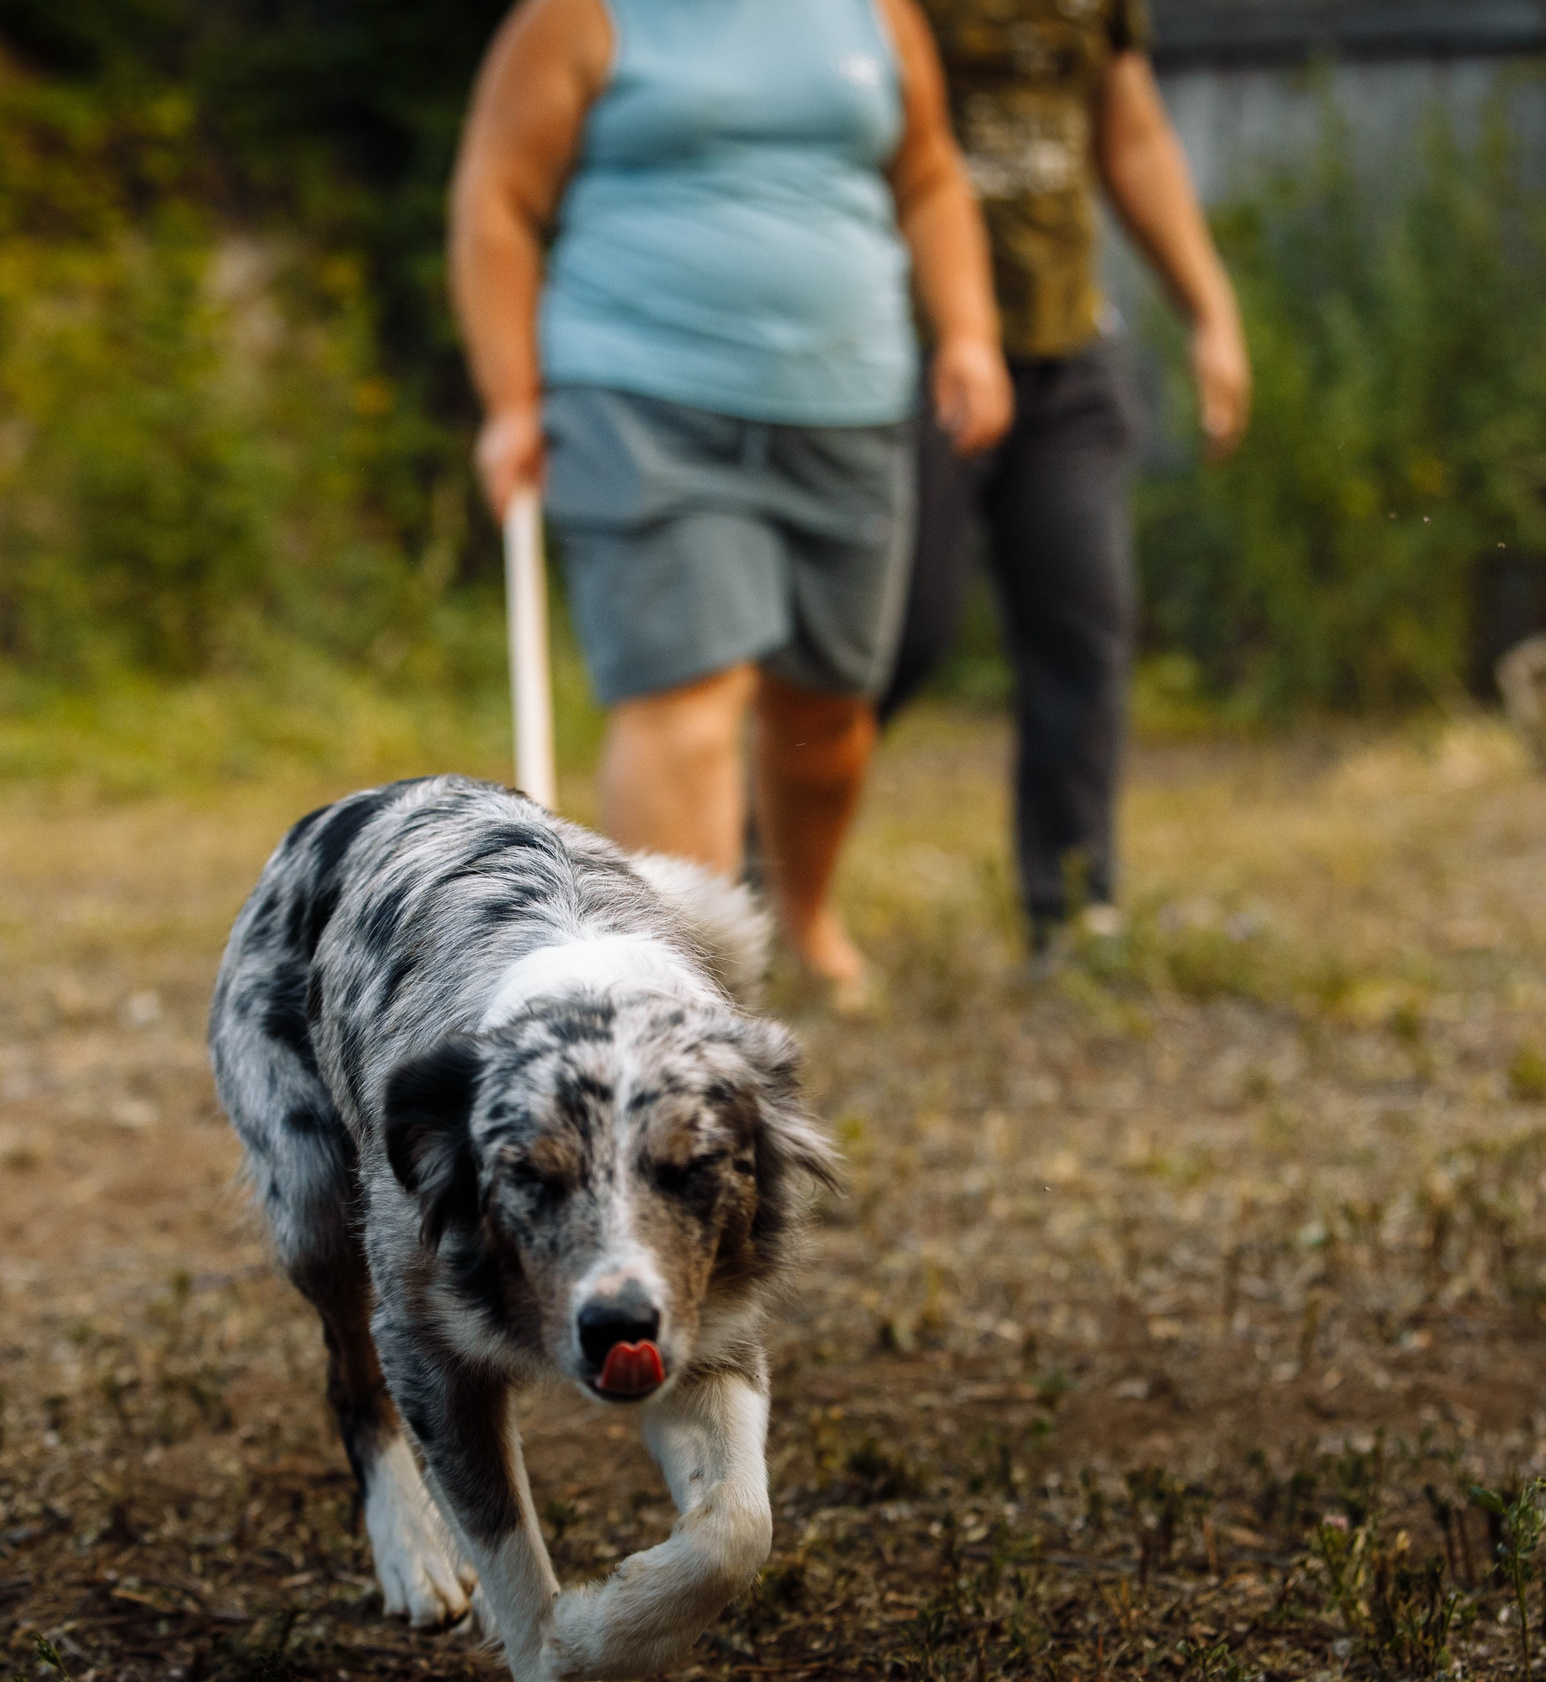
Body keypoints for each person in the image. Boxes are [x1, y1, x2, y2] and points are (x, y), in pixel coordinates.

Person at [450, 0, 1012, 1011]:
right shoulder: (578, 17)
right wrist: (510, 401)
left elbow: (928, 174)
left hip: (848, 406)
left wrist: (968, 331)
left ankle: (803, 915)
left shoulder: (875, 14)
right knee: (686, 701)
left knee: (826, 711)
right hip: (641, 400)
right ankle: (678, 996)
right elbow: (497, 195)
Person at [880, 0, 1249, 956]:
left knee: (1083, 628)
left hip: (1066, 349)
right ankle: (759, 867)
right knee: (896, 634)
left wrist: (1209, 310)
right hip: (909, 351)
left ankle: (1076, 913)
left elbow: (1132, 134)